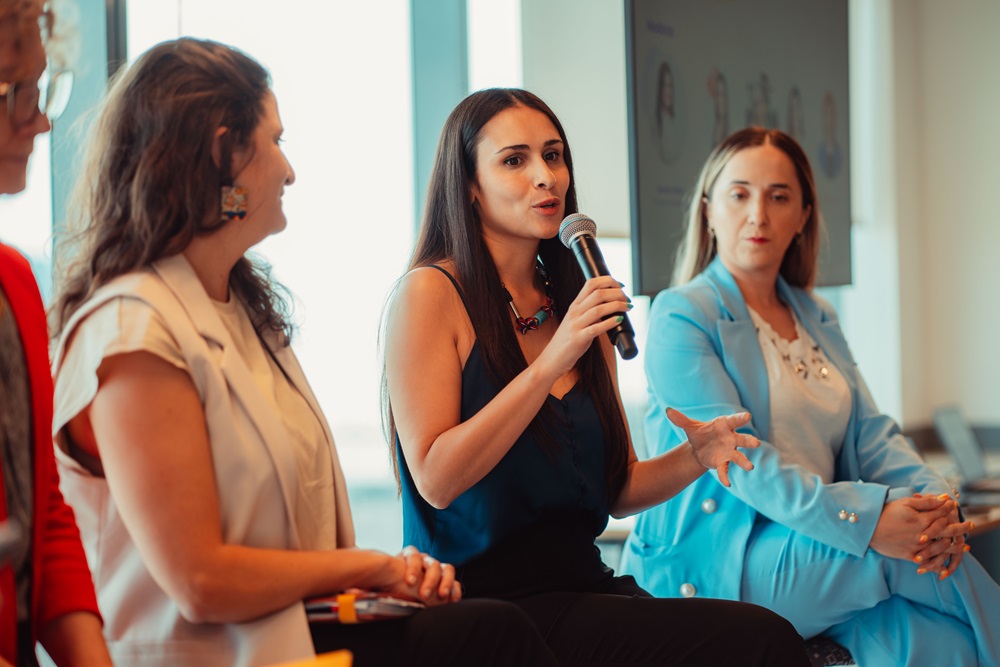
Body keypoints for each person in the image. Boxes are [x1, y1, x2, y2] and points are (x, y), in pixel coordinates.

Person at [49, 39, 557, 667]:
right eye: (275, 141)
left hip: (291, 639)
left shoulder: (242, 312)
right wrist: (376, 566)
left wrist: (376, 582)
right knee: (494, 638)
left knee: (491, 634)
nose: (289, 171)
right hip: (209, 655)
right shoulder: (132, 329)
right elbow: (200, 582)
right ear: (222, 153)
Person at [382, 87, 810, 666]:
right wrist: (554, 358)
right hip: (487, 609)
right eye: (515, 160)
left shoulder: (575, 303)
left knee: (763, 635)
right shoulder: (431, 293)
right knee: (761, 641)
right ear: (469, 185)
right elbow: (435, 477)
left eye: (554, 156)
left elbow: (616, 490)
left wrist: (697, 456)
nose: (546, 177)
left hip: (585, 589)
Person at [620, 126, 1000, 666]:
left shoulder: (815, 313)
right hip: (726, 562)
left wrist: (936, 503)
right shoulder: (681, 314)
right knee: (905, 556)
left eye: (779, 197)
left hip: (818, 554)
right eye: (740, 194)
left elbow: (873, 436)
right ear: (708, 210)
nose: (759, 214)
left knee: (945, 645)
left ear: (802, 216)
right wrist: (868, 521)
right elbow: (740, 457)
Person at [0, 2, 112, 665]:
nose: (40, 119)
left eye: (44, 91)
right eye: (18, 92)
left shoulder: (14, 281)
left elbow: (40, 506)